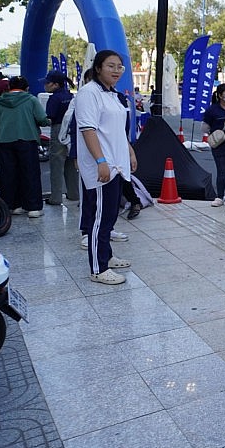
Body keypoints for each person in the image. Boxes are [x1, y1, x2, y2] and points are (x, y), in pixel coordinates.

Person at [75, 50, 136, 285]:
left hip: (117, 164)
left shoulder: (112, 95)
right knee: (99, 219)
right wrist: (101, 161)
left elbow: (118, 131)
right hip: (103, 166)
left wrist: (130, 152)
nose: (116, 71)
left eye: (120, 67)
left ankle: (107, 256)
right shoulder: (89, 93)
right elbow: (88, 130)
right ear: (98, 68)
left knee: (109, 217)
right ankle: (98, 268)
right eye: (111, 66)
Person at [0, 76, 50, 218]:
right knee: (30, 173)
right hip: (27, 139)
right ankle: (33, 208)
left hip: (3, 141)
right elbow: (41, 118)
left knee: (7, 174)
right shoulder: (31, 100)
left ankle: (12, 205)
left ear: (9, 87)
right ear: (26, 88)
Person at [43, 70, 78, 205]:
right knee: (71, 163)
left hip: (58, 129)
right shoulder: (70, 96)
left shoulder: (54, 98)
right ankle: (74, 194)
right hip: (72, 131)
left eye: (47, 83)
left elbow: (50, 117)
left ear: (55, 85)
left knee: (57, 164)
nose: (45, 85)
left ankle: (56, 197)